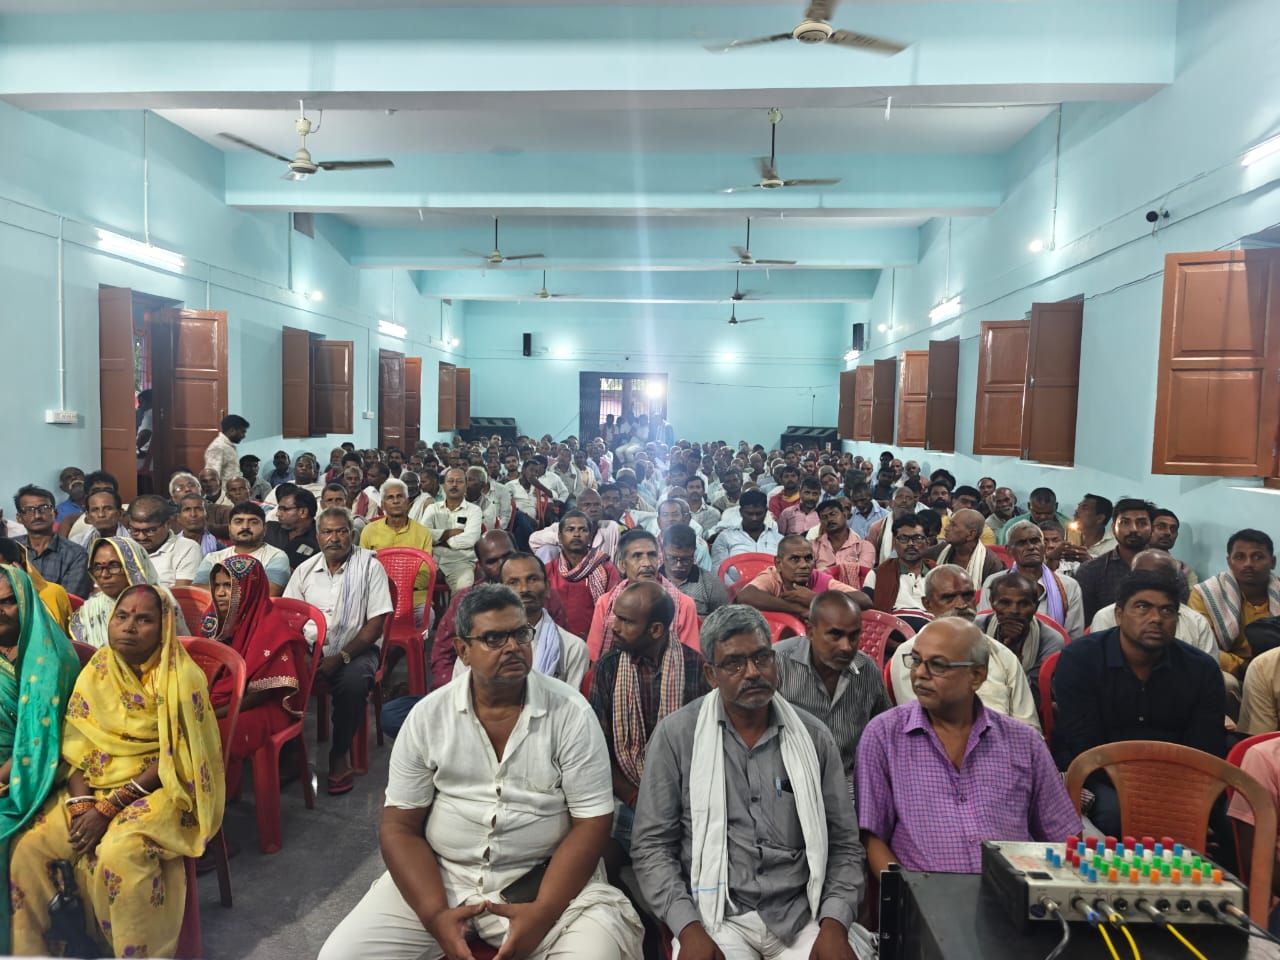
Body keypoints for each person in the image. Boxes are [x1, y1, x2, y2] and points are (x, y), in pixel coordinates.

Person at [319, 584, 644, 960]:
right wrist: (435, 914)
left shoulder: (571, 714)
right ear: (462, 650)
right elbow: (400, 826)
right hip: (443, 875)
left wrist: (542, 914)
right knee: (340, 955)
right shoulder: (429, 716)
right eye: (493, 638)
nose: (512, 647)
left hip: (543, 882)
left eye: (521, 634)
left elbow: (591, 823)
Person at [631, 605, 875, 960]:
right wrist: (688, 928)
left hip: (803, 911)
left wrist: (835, 923)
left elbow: (844, 846)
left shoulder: (812, 738)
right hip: (717, 915)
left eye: (763, 658)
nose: (753, 673)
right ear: (711, 675)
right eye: (734, 663)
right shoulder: (676, 736)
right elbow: (652, 846)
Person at [10, 584, 224, 958]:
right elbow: (77, 741)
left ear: (164, 627)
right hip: (92, 785)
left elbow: (181, 753)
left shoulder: (180, 678)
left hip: (160, 788)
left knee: (119, 853)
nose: (129, 627)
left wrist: (110, 808)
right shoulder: (98, 669)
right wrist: (80, 803)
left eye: (144, 620)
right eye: (122, 617)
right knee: (29, 847)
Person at [857, 618, 1079, 874]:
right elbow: (871, 837)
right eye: (916, 660)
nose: (919, 673)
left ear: (977, 675)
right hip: (923, 896)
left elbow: (1063, 835)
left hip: (1011, 896)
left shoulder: (1023, 742)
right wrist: (908, 895)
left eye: (937, 665)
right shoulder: (885, 735)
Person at [1053, 569, 1226, 836]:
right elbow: (1083, 744)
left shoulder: (1200, 669)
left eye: (1168, 611)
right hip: (1099, 775)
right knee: (1117, 815)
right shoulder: (1081, 659)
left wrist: (1172, 795)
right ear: (1119, 614)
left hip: (1176, 778)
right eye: (1143, 607)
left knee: (1221, 817)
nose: (1156, 618)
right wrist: (1144, 797)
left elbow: (1204, 748)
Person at [588, 581, 709, 880]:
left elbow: (707, 749)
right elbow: (598, 750)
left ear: (655, 630)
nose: (614, 627)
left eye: (626, 621)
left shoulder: (697, 668)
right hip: (626, 795)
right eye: (616, 617)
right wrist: (634, 797)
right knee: (598, 864)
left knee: (691, 865)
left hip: (685, 797)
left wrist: (669, 799)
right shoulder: (608, 668)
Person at [284, 507, 393, 795]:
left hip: (357, 648)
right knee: (279, 676)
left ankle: (339, 752)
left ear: (352, 534)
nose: (335, 538)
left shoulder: (371, 567)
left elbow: (375, 625)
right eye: (328, 532)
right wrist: (308, 655)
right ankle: (291, 752)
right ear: (318, 536)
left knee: (353, 683)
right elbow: (289, 618)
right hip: (311, 648)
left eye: (342, 531)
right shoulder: (305, 571)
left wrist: (341, 656)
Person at [0, 565, 80, 952]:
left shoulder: (48, 659)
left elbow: (36, 743)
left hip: (38, 769)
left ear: (26, 602)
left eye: (7, 602)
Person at [889, 566, 1040, 730]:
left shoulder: (1001, 654)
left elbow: (1029, 726)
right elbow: (922, 726)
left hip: (1006, 749)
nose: (961, 605)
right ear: (928, 604)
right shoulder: (910, 656)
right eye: (949, 597)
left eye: (967, 596)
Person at [203, 555, 303, 796]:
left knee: (210, 735)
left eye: (229, 586)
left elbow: (260, 695)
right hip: (219, 699)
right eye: (217, 585)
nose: (220, 593)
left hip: (261, 705)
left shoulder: (273, 629)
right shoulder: (214, 619)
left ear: (249, 589)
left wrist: (211, 714)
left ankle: (216, 801)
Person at [775, 591, 891, 794]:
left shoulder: (866, 669)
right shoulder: (778, 663)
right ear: (810, 630)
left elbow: (884, 732)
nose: (846, 647)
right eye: (835, 635)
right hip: (788, 784)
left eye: (854, 636)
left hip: (848, 784)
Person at [450, 552, 589, 690]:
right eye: (513, 582)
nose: (524, 589)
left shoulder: (572, 647)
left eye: (533, 579)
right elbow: (459, 698)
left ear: (547, 587)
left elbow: (570, 704)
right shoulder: (478, 644)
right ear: (499, 590)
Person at [587, 529, 700, 662]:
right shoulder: (606, 603)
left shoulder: (683, 604)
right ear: (622, 565)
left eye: (652, 555)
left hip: (668, 677)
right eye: (637, 556)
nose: (647, 563)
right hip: (614, 676)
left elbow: (689, 660)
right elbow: (594, 657)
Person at [70, 536, 191, 647]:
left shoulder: (158, 601)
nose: (104, 574)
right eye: (97, 568)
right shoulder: (90, 609)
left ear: (134, 567)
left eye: (113, 566)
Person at [1089, 549, 1215, 656]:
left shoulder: (1196, 622)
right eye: (1144, 577)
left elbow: (1206, 672)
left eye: (1161, 578)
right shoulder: (1107, 616)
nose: (1156, 619)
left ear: (1176, 581)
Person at [1190, 529, 1280, 677]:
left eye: (1258, 557)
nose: (1248, 564)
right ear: (1229, 561)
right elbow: (1201, 644)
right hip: (1232, 672)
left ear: (1273, 562)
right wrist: (1244, 667)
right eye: (1240, 557)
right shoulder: (1206, 594)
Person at [980, 520, 1084, 640]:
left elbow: (1073, 637)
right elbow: (986, 629)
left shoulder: (1069, 586)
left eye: (1035, 541)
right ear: (1009, 550)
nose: (1031, 547)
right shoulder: (994, 582)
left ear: (1044, 547)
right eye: (1022, 543)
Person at [975, 572, 1064, 704]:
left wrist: (1011, 657)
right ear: (992, 603)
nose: (1014, 611)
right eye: (1005, 603)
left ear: (1036, 606)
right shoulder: (977, 629)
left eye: (1023, 604)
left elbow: (1037, 695)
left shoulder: (1050, 640)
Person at [361, 477, 435, 617]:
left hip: (414, 597)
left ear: (407, 502)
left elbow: (426, 575)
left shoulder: (423, 533)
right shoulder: (369, 531)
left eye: (400, 496)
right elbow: (362, 568)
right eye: (390, 497)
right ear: (382, 504)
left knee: (427, 616)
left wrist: (400, 586)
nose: (395, 501)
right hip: (377, 596)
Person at [1074, 498, 1155, 622]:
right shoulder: (1091, 571)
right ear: (1113, 528)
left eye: (1141, 523)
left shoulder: (1168, 571)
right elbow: (1086, 623)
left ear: (1152, 528)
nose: (1133, 529)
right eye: (1125, 522)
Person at [543, 509, 621, 638]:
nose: (576, 534)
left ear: (590, 537)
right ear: (560, 536)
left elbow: (614, 609)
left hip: (593, 640)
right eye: (570, 529)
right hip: (553, 639)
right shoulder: (547, 570)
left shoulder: (606, 569)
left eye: (583, 530)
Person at [195, 501, 291, 596]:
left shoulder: (276, 556)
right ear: (229, 528)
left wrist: (220, 592)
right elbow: (198, 591)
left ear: (265, 529)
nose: (245, 527)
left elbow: (269, 593)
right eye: (238, 522)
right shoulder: (212, 558)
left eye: (253, 522)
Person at [13, 483, 91, 598]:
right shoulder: (10, 549)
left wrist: (25, 583)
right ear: (19, 518)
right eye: (29, 510)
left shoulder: (76, 554)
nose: (37, 515)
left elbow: (67, 602)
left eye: (44, 508)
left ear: (55, 513)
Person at [413, 467, 483, 591]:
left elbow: (470, 539)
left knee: (463, 590)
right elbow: (423, 534)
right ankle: (427, 611)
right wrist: (448, 533)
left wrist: (440, 540)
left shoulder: (474, 510)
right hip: (431, 560)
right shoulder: (432, 508)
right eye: (450, 481)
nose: (454, 485)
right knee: (411, 584)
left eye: (459, 481)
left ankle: (453, 611)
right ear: (444, 486)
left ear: (466, 486)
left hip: (460, 562)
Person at [126, 494, 202, 589]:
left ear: (168, 524)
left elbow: (180, 595)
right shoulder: (124, 546)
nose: (141, 537)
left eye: (150, 531)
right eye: (135, 530)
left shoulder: (187, 548)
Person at [863, 516, 935, 613]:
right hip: (891, 625)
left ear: (927, 542)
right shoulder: (876, 574)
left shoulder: (938, 574)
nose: (910, 544)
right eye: (903, 538)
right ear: (894, 542)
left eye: (917, 538)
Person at [660, 523, 729, 617]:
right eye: (672, 558)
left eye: (685, 559)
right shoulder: (652, 580)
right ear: (663, 552)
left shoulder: (711, 583)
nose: (679, 564)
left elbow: (723, 619)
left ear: (693, 554)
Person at [709, 489, 783, 573]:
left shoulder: (779, 540)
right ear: (741, 512)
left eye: (759, 514)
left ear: (766, 511)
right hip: (735, 585)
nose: (754, 518)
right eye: (749, 514)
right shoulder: (725, 538)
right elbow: (718, 571)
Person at [810, 498, 875, 589]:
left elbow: (863, 575)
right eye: (824, 517)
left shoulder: (864, 547)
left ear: (844, 515)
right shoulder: (813, 546)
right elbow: (810, 577)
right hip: (823, 598)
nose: (829, 519)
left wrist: (825, 573)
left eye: (833, 514)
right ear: (820, 522)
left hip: (856, 597)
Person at [936, 508, 1004, 587]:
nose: (946, 528)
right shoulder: (941, 549)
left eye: (953, 525)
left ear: (971, 534)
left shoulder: (991, 563)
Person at [264, 484, 321, 571]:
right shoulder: (268, 529)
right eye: (279, 509)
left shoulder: (321, 539)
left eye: (284, 509)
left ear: (303, 512)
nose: (278, 514)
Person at [995, 487, 1070, 545]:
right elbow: (1003, 552)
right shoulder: (1012, 526)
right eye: (1037, 513)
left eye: (1048, 513)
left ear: (1056, 507)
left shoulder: (1068, 527)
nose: (1043, 517)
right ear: (1029, 506)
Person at [865, 486, 919, 563]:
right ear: (891, 503)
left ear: (914, 504)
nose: (904, 500)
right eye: (899, 497)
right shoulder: (877, 528)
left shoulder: (921, 527)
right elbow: (871, 559)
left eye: (908, 498)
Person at [1065, 493, 1117, 564]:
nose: (1077, 510)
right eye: (1078, 506)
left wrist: (1089, 562)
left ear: (1100, 518)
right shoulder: (1063, 537)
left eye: (1084, 508)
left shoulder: (1114, 546)